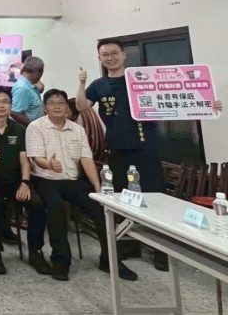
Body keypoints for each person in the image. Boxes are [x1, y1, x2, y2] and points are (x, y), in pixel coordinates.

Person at [75, 39, 223, 271]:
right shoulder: (99, 85)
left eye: (114, 53)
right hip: (116, 148)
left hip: (145, 147)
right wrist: (82, 83)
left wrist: (207, 104)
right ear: (99, 58)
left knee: (154, 196)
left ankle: (161, 250)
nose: (110, 58)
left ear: (124, 55)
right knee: (123, 198)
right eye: (105, 54)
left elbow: (181, 95)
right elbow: (82, 106)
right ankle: (130, 243)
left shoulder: (143, 79)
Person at [27, 89, 137, 282]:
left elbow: (86, 159)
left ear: (67, 107)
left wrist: (97, 187)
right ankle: (61, 261)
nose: (57, 106)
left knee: (100, 208)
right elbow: (36, 158)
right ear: (45, 108)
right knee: (56, 208)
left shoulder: (77, 130)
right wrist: (49, 164)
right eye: (52, 103)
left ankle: (110, 260)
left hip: (72, 180)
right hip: (45, 179)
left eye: (61, 103)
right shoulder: (35, 127)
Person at [0, 86, 50, 276]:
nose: (1, 106)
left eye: (5, 102)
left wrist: (25, 182)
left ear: (10, 105)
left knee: (37, 204)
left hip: (15, 180)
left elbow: (25, 160)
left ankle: (35, 251)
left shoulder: (19, 129)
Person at [11, 56, 45, 125]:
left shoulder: (29, 85)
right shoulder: (23, 87)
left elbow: (41, 88)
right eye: (41, 72)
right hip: (28, 129)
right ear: (37, 71)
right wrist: (32, 126)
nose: (41, 75)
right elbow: (15, 113)